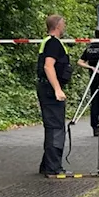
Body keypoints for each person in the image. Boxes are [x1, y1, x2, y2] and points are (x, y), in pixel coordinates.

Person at [36, 15, 71, 177]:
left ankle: (47, 165)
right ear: (57, 26)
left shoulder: (47, 42)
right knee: (56, 128)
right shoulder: (53, 43)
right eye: (63, 24)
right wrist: (57, 89)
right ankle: (53, 168)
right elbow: (49, 66)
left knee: (52, 126)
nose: (64, 27)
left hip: (46, 88)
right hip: (50, 90)